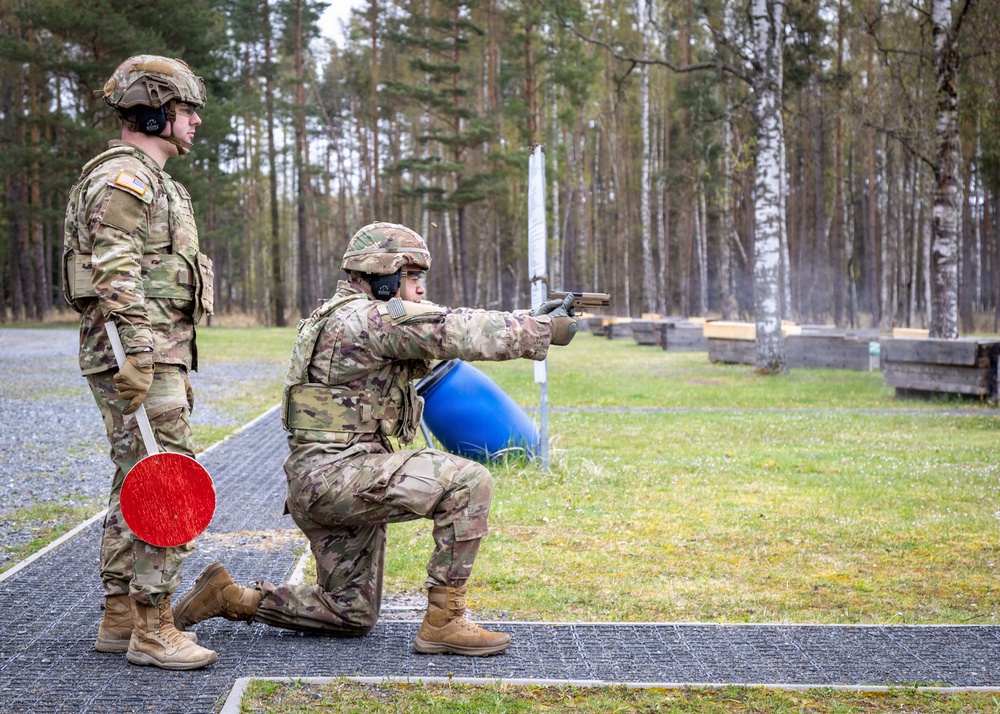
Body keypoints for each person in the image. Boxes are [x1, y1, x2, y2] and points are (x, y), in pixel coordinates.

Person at [172, 222, 577, 657]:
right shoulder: (368, 318)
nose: (420, 290)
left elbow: (440, 326)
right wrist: (539, 329)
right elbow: (455, 328)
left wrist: (529, 318)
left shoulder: (344, 314)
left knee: (349, 614)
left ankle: (231, 597)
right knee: (467, 481)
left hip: (327, 480)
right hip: (336, 479)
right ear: (383, 277)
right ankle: (445, 620)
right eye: (413, 278)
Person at [62, 55, 217, 670]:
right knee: (170, 480)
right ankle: (155, 627)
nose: (196, 121)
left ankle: (121, 614)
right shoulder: (126, 179)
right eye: (186, 109)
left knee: (137, 475)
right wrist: (141, 353)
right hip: (139, 355)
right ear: (155, 109)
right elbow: (115, 269)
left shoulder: (155, 180)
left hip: (148, 353)